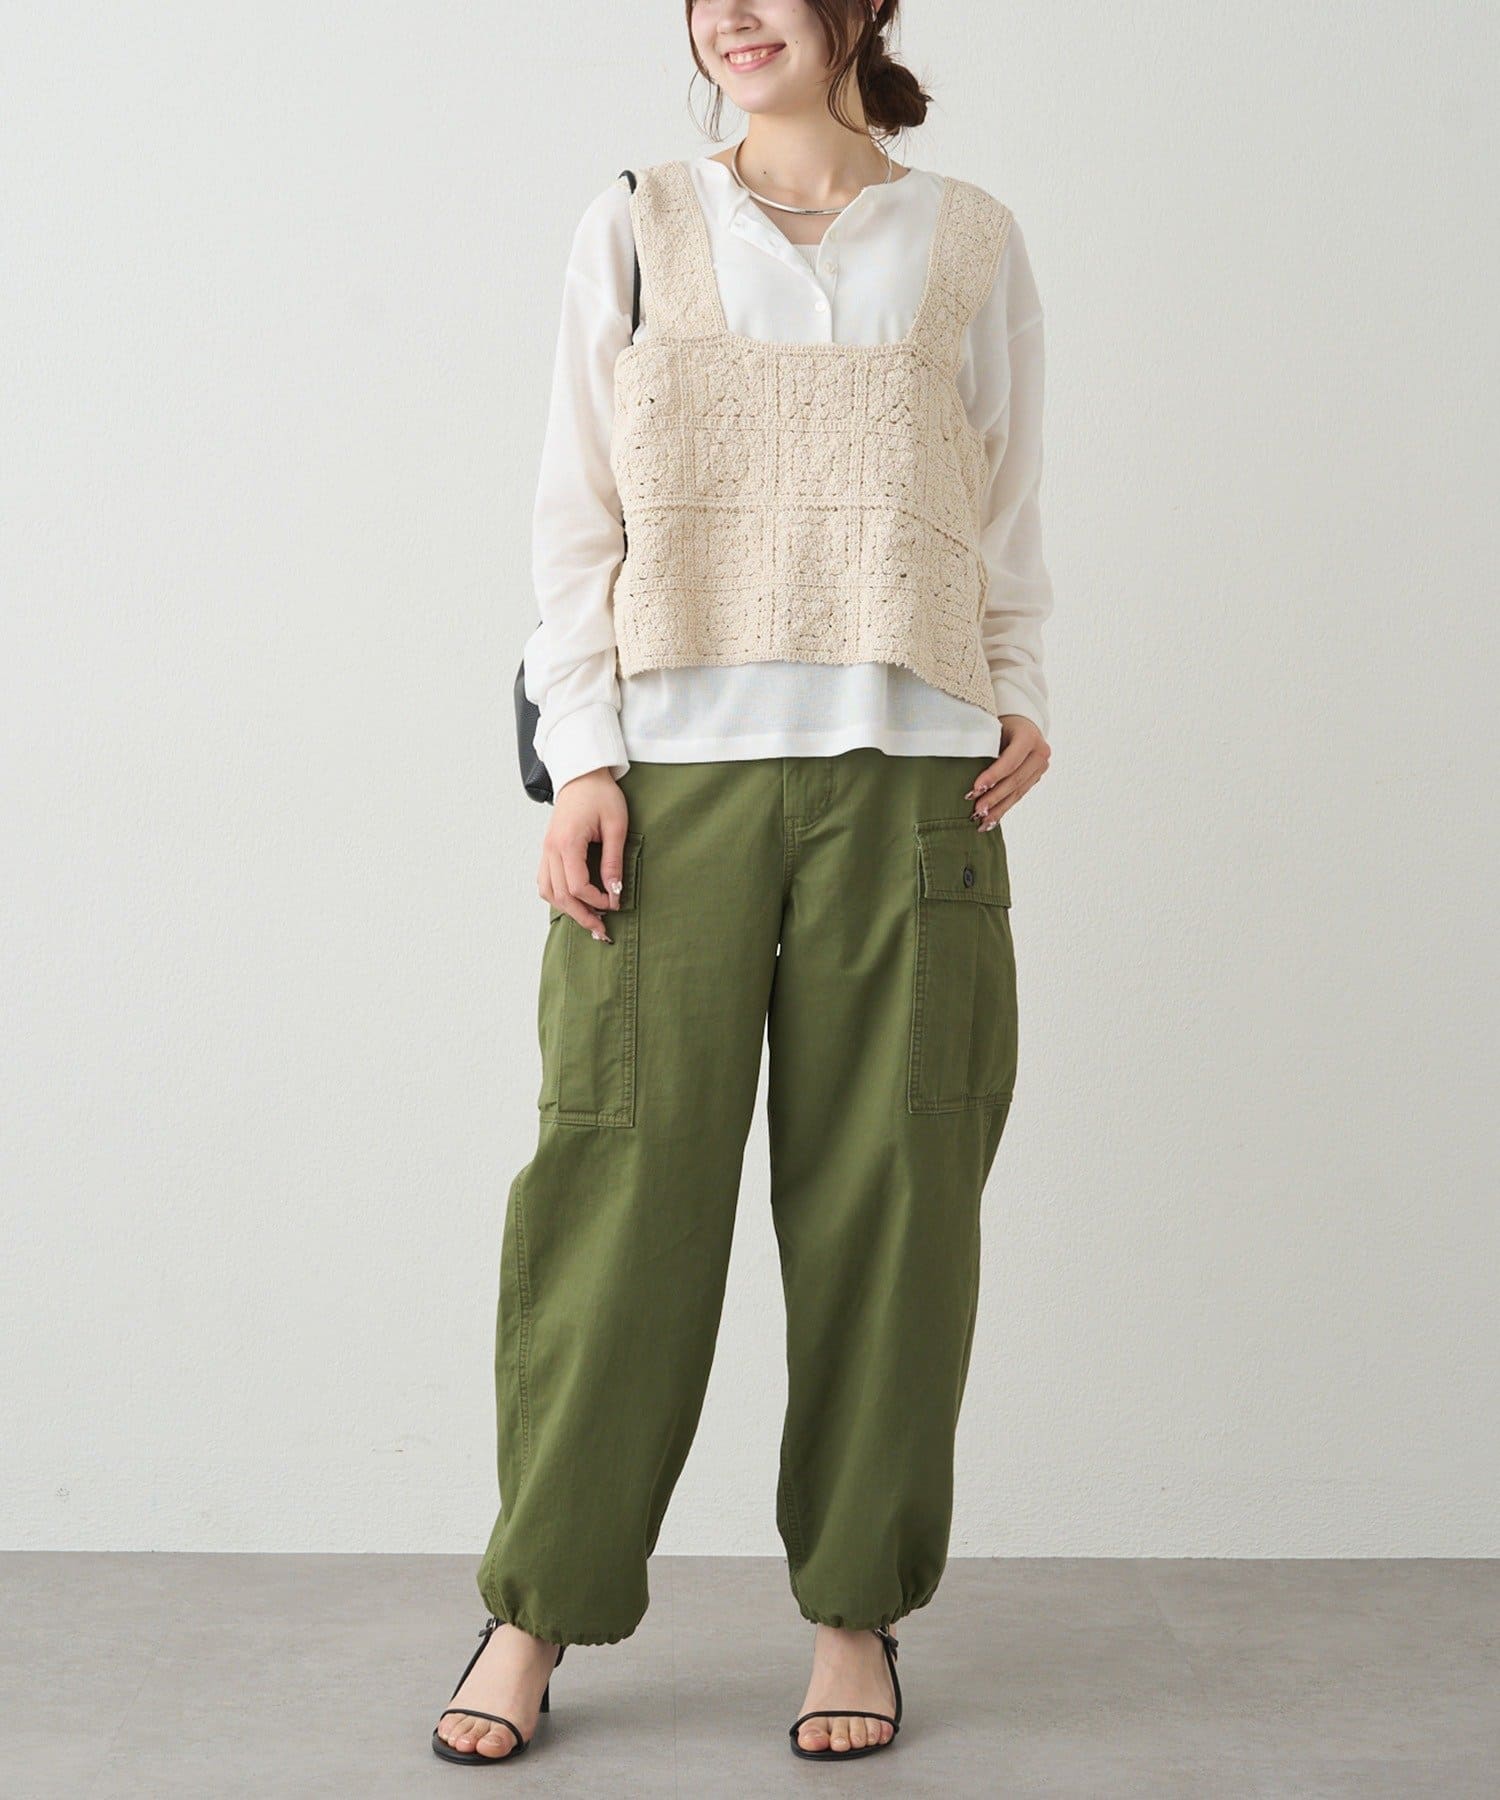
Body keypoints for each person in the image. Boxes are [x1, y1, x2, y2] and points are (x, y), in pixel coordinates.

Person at [432, 0, 1053, 1766]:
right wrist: (583, 755)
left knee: (893, 1203)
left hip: (912, 772)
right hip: (673, 779)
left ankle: (855, 1613)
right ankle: (535, 1609)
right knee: (617, 1190)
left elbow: (1006, 499)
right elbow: (576, 513)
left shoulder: (969, 238)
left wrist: (1022, 685)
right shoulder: (634, 222)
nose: (732, 13)